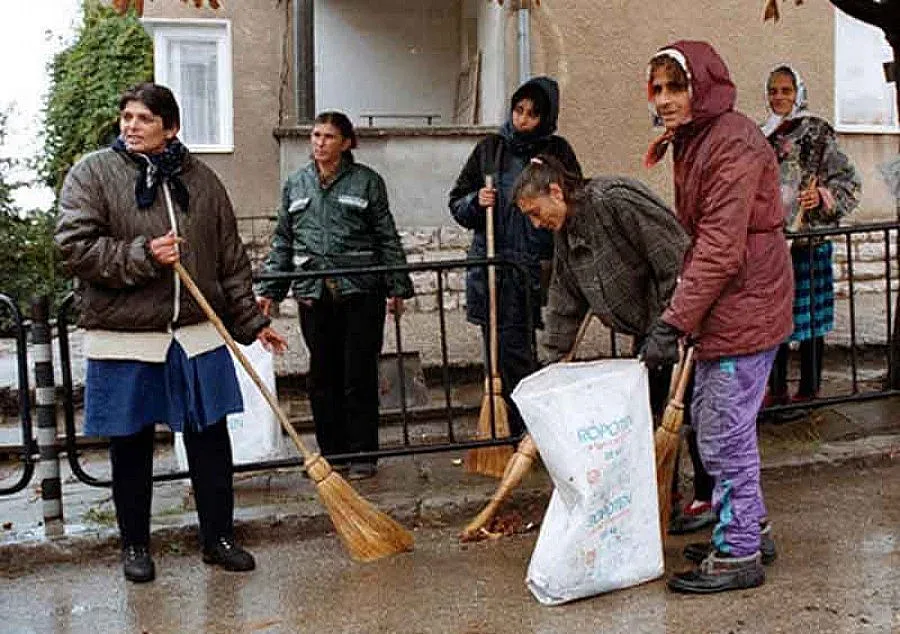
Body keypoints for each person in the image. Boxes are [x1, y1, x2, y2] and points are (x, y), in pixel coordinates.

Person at [55, 83, 287, 584]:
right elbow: (74, 248)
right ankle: (135, 545)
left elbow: (230, 261)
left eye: (143, 118)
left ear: (172, 128)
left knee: (210, 440)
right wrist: (144, 255)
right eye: (126, 116)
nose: (130, 125)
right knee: (131, 445)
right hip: (126, 336)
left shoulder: (202, 181)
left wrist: (253, 324)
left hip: (196, 335)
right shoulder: (93, 173)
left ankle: (218, 538)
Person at [641, 41, 794, 594]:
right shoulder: (697, 138)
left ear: (702, 88)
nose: (664, 100)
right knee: (716, 425)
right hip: (732, 304)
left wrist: (673, 322)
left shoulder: (731, 141)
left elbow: (721, 248)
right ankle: (749, 525)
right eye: (657, 89)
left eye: (676, 88)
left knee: (724, 433)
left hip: (747, 301)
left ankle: (738, 553)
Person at [256, 111, 413, 482]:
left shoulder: (366, 182)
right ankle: (333, 453)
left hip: (361, 291)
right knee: (322, 375)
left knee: (358, 373)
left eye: (328, 136)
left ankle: (363, 454)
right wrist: (271, 289)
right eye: (315, 135)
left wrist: (397, 286)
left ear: (346, 143)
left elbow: (385, 236)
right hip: (314, 293)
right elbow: (284, 240)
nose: (320, 143)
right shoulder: (296, 184)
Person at [449, 76, 581, 436]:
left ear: (546, 117)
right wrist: (475, 202)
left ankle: (539, 428)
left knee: (539, 351)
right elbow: (456, 204)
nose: (522, 119)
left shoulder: (558, 152)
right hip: (495, 266)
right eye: (518, 110)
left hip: (538, 267)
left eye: (532, 114)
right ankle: (513, 428)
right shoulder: (490, 150)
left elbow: (571, 202)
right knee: (503, 352)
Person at [762, 65, 861, 407]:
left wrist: (820, 196)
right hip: (774, 247)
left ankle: (809, 390)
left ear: (798, 93)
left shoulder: (818, 134)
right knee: (773, 319)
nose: (779, 97)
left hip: (810, 244)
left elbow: (849, 183)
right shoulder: (761, 137)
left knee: (811, 320)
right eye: (773, 91)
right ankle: (776, 391)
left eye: (786, 91)